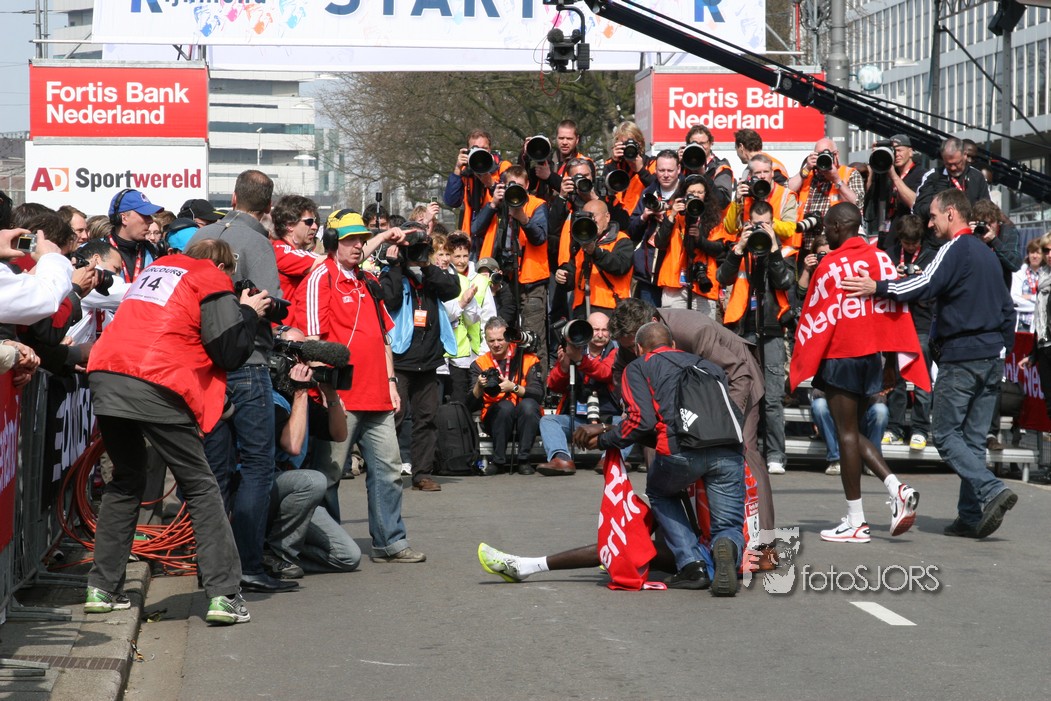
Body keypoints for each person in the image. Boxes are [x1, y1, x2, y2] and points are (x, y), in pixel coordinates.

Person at [85, 238, 270, 625]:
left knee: (126, 479)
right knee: (201, 485)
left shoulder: (156, 270)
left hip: (107, 373)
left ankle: (101, 587)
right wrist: (248, 313)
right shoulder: (210, 277)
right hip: (158, 379)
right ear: (224, 266)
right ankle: (224, 594)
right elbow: (228, 352)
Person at [842, 189, 1018, 539]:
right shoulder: (986, 253)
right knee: (972, 440)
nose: (929, 223)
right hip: (989, 358)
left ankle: (991, 488)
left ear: (951, 213)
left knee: (946, 436)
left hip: (962, 356)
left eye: (933, 216)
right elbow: (1007, 309)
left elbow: (924, 283)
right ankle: (970, 515)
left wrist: (878, 286)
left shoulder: (956, 248)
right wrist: (1002, 349)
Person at [293, 210, 426, 563]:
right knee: (329, 476)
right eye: (350, 239)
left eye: (361, 239)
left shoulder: (367, 280)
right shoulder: (320, 277)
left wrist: (392, 383)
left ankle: (390, 542)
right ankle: (329, 546)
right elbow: (311, 343)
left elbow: (383, 338)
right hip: (340, 398)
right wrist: (327, 394)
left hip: (378, 395)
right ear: (333, 242)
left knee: (389, 472)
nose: (357, 245)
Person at [574, 322, 745, 596]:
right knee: (728, 524)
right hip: (727, 447)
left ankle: (692, 564)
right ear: (674, 344)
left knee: (660, 491)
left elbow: (641, 421)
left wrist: (605, 440)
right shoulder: (709, 366)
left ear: (639, 348)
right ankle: (726, 547)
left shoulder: (639, 367)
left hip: (680, 450)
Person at [791, 203, 928, 542]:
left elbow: (815, 314)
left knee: (846, 435)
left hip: (841, 354)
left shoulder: (830, 264)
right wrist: (892, 363)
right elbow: (893, 309)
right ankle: (896, 488)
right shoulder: (881, 259)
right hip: (872, 357)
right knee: (853, 430)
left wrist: (806, 358)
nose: (825, 234)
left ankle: (856, 521)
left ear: (839, 227)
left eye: (827, 228)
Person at [607, 299, 777, 567]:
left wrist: (723, 422)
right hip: (681, 394)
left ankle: (763, 544)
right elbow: (621, 379)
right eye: (626, 347)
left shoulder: (695, 331)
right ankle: (674, 541)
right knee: (655, 448)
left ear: (652, 325)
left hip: (733, 382)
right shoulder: (631, 344)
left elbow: (738, 375)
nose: (631, 352)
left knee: (742, 449)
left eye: (632, 347)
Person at [189, 170, 293, 593]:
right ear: (268, 207)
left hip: (204, 366)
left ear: (232, 198)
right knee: (256, 466)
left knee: (213, 471)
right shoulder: (257, 241)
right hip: (247, 363)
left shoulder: (202, 235)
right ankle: (247, 564)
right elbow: (270, 303)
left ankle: (212, 568)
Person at [266, 327, 361, 579]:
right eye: (296, 352)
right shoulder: (269, 397)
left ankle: (264, 552)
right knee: (313, 480)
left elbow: (339, 434)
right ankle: (277, 553)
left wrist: (330, 392)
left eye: (306, 354)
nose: (303, 361)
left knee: (348, 556)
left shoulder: (302, 399)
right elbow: (292, 446)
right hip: (263, 491)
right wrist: (300, 393)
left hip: (294, 497)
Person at [716, 200, 794, 475]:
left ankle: (775, 455)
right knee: (744, 394)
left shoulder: (783, 252)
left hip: (771, 330)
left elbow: (785, 282)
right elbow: (722, 277)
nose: (760, 229)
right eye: (755, 225)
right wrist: (739, 247)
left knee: (772, 397)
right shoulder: (739, 250)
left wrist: (772, 248)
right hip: (742, 330)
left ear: (773, 225)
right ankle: (744, 450)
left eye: (766, 225)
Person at [380, 223, 461, 491]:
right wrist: (395, 265)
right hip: (400, 360)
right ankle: (387, 472)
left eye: (421, 247)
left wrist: (426, 265)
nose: (415, 252)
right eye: (411, 248)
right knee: (395, 417)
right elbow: (390, 299)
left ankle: (422, 474)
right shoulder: (391, 273)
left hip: (428, 361)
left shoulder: (431, 275)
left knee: (427, 419)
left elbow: (452, 289)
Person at [537, 312, 622, 476]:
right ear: (587, 330)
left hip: (608, 420)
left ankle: (610, 460)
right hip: (579, 419)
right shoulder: (574, 348)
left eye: (605, 330)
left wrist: (580, 360)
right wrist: (564, 367)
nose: (600, 334)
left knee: (626, 424)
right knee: (548, 421)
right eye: (596, 329)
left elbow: (605, 372)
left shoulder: (616, 351)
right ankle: (561, 458)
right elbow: (554, 386)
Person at [879, 215, 936, 450]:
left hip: (922, 323)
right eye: (906, 243)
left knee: (921, 377)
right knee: (896, 377)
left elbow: (935, 289)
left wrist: (918, 278)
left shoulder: (931, 256)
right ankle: (895, 427)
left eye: (914, 243)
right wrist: (895, 276)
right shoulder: (890, 255)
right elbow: (881, 285)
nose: (911, 247)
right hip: (896, 321)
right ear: (900, 239)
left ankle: (920, 428)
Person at [468, 316, 544, 475]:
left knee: (529, 405)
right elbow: (470, 405)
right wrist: (478, 386)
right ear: (486, 340)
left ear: (509, 338)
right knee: (505, 407)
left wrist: (514, 387)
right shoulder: (479, 364)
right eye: (491, 340)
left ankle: (524, 460)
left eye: (500, 339)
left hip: (525, 417)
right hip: (496, 418)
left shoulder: (528, 358)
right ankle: (498, 461)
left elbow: (538, 394)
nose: (496, 344)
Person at [440, 233, 498, 404]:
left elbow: (489, 318)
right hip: (448, 351)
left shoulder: (480, 281)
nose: (461, 261)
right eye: (457, 256)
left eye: (465, 256)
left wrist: (484, 351)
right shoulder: (443, 277)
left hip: (473, 351)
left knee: (469, 400)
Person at [555, 199, 633, 318]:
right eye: (587, 217)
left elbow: (620, 266)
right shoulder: (580, 241)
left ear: (607, 217)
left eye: (593, 216)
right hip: (581, 307)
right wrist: (563, 277)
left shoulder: (622, 240)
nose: (591, 220)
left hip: (610, 307)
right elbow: (574, 275)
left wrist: (595, 251)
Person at [443, 128, 512, 258]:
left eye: (484, 149)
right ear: (468, 150)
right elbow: (452, 201)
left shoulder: (502, 167)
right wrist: (457, 169)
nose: (480, 153)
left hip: (495, 234)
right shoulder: (465, 170)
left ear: (490, 149)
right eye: (475, 149)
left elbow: (510, 201)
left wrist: (490, 183)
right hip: (470, 237)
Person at [788, 137, 864, 255]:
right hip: (807, 244)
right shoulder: (808, 175)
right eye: (819, 155)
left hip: (836, 245)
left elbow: (857, 204)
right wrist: (806, 168)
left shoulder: (849, 173)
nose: (823, 158)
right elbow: (787, 192)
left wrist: (837, 180)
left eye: (827, 154)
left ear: (836, 155)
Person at [628, 149, 683, 307]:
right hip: (649, 274)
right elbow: (632, 230)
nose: (665, 175)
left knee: (674, 321)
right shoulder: (648, 193)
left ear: (678, 169)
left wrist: (670, 217)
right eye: (661, 170)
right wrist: (644, 217)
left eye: (670, 170)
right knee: (650, 319)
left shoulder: (687, 193)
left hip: (676, 273)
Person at [913, 137, 991, 230]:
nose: (953, 168)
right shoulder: (932, 176)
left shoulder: (977, 177)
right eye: (948, 164)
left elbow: (987, 209)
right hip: (938, 235)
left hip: (969, 233)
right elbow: (918, 209)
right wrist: (939, 210)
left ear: (965, 155)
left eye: (957, 163)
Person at [870, 135, 924, 250]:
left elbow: (914, 202)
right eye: (893, 151)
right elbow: (870, 199)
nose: (896, 154)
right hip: (887, 237)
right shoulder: (886, 174)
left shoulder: (920, 174)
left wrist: (894, 176)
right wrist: (876, 161)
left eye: (899, 150)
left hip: (908, 238)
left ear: (910, 152)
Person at [270, 194, 322, 300]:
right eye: (309, 222)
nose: (315, 226)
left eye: (315, 221)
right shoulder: (280, 251)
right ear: (289, 225)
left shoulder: (288, 249)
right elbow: (327, 262)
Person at [107, 188, 163, 283]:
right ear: (124, 218)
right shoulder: (94, 251)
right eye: (145, 215)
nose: (151, 220)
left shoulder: (154, 252)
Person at [679, 125, 734, 208]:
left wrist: (704, 174)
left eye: (702, 143)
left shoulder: (720, 167)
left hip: (712, 215)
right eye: (694, 143)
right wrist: (676, 163)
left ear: (711, 143)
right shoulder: (682, 165)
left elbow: (723, 202)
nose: (699, 147)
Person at [1011, 237, 1046, 333]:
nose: (1035, 256)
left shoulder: (1048, 274)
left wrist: (1030, 297)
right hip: (1023, 324)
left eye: (1038, 253)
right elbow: (1015, 300)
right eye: (1032, 252)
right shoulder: (1019, 274)